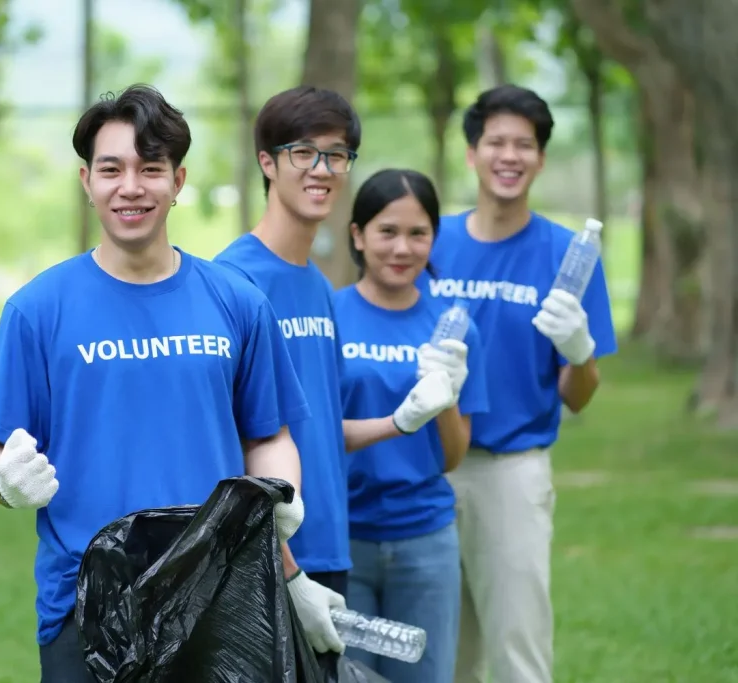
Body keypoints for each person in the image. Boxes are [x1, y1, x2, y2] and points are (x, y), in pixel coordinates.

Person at [0, 84, 310, 683]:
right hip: (87, 600)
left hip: (218, 591)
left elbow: (269, 434)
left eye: (150, 168)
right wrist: (7, 482)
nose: (131, 187)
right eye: (112, 169)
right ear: (86, 182)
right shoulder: (36, 309)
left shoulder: (236, 302)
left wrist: (280, 491)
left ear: (177, 182)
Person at [214, 86, 456, 677]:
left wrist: (402, 422)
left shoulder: (319, 286)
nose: (323, 169)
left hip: (333, 546)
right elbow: (229, 448)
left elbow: (318, 427)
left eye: (338, 154)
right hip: (275, 560)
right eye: (304, 152)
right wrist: (286, 564)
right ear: (268, 163)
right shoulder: (234, 283)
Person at [419, 84, 618, 683]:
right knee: (441, 654)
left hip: (509, 472)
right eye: (496, 142)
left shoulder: (566, 253)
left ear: (540, 159)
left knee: (517, 650)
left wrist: (580, 353)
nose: (510, 156)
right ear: (471, 153)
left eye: (524, 145)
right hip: (425, 466)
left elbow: (578, 394)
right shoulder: (430, 243)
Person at [336, 169, 490, 683]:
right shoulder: (328, 317)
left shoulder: (455, 330)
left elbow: (453, 456)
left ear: (433, 238)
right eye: (387, 231)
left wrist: (443, 397)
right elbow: (313, 438)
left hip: (426, 539)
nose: (402, 247)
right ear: (358, 235)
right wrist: (397, 420)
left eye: (418, 233)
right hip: (345, 540)